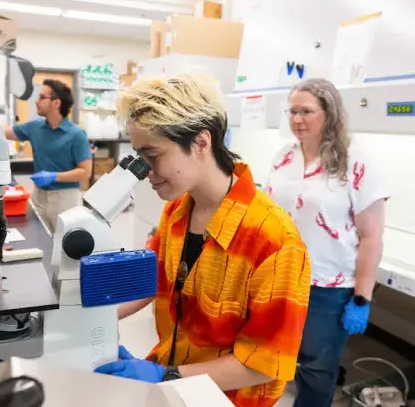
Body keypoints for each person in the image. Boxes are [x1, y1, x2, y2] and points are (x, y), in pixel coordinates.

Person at [94, 74, 311, 407]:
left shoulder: (273, 240)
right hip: (173, 379)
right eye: (139, 158)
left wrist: (166, 376)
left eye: (153, 156)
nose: (146, 172)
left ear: (200, 143)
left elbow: (262, 365)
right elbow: (150, 279)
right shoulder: (177, 211)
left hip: (227, 399)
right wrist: (90, 319)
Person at [265, 78, 388, 407]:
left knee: (318, 369)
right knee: (277, 359)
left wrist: (361, 298)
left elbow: (371, 237)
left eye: (306, 111)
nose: (297, 119)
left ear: (329, 114)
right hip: (280, 279)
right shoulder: (283, 157)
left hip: (327, 286)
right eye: (292, 111)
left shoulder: (355, 163)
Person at [0, 79, 92, 232]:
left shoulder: (76, 134)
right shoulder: (35, 127)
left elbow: (85, 172)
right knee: (42, 242)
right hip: (39, 197)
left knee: (68, 247)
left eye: (42, 97)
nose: (37, 101)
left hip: (66, 199)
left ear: (56, 103)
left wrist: (54, 176)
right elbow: (2, 130)